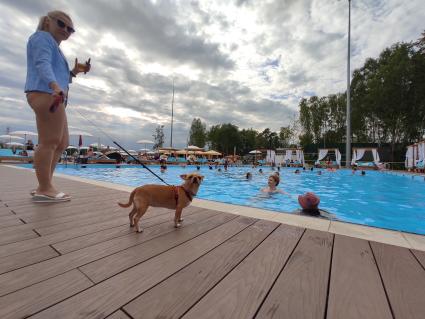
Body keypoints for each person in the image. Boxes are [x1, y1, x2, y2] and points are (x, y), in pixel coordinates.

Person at [25, 10, 90, 202]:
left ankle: (44, 185)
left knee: (62, 143)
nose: (66, 30)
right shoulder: (42, 38)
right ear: (47, 22)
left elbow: (61, 77)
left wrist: (74, 72)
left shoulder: (53, 45)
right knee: (50, 141)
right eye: (61, 24)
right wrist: (54, 86)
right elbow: (41, 63)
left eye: (71, 29)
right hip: (45, 93)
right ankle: (45, 188)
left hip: (54, 95)